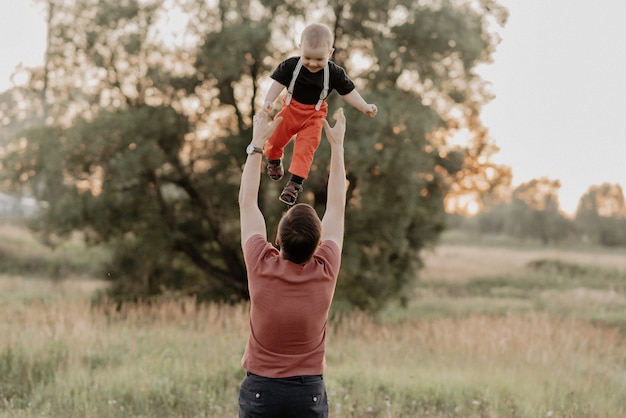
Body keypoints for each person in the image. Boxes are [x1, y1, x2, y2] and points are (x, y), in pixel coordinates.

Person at [237, 108, 348, 418]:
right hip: (307, 392)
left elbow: (247, 202)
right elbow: (337, 206)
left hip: (262, 390)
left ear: (277, 239)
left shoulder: (261, 262)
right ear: (318, 245)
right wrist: (337, 147)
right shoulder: (326, 268)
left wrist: (258, 143)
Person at [261, 22, 376, 205]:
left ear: (330, 53)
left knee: (306, 149)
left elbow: (348, 92)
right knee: (275, 139)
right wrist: (268, 101)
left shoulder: (334, 73)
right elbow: (277, 84)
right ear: (300, 48)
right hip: (290, 110)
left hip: (314, 116)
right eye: (307, 58)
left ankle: (294, 184)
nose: (313, 64)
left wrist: (364, 106)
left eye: (319, 60)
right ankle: (274, 159)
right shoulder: (291, 65)